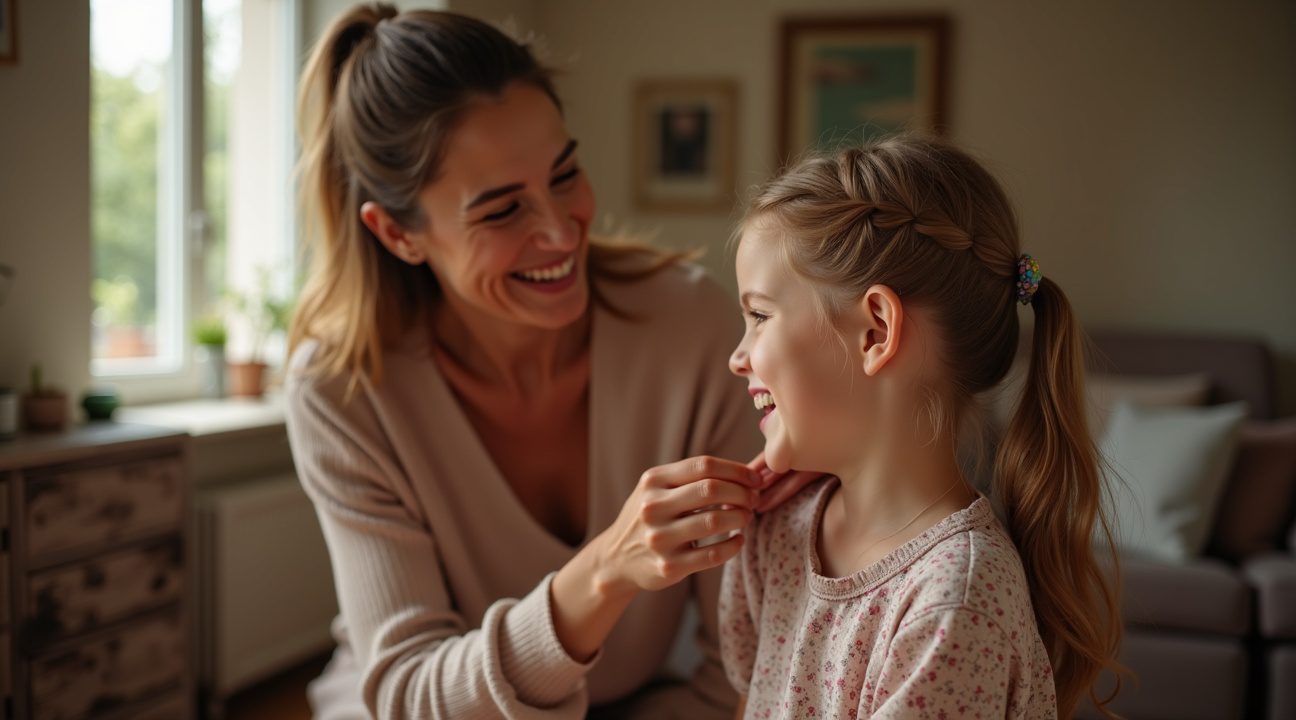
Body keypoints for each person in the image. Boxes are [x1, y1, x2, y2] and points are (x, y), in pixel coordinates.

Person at [283, 4, 818, 718]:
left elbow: (753, 654)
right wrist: (603, 571)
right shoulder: (341, 391)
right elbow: (410, 690)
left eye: (564, 175)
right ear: (397, 234)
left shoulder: (689, 327)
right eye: (502, 211)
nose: (562, 233)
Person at [716, 136, 1124, 718]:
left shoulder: (955, 604)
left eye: (759, 315)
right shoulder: (773, 530)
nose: (738, 358)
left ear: (876, 332)